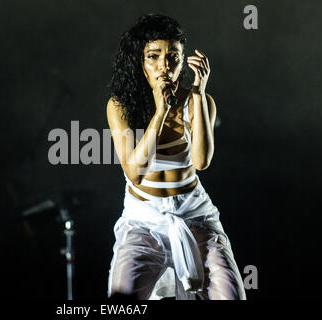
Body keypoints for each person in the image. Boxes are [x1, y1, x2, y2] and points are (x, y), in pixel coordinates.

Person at [106, 14, 246, 300]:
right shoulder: (121, 106)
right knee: (122, 299)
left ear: (184, 61)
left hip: (194, 214)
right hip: (143, 220)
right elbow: (135, 172)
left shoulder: (199, 101)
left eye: (173, 56)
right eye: (153, 56)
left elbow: (201, 161)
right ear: (139, 62)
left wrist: (198, 94)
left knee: (231, 294)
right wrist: (160, 113)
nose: (164, 67)